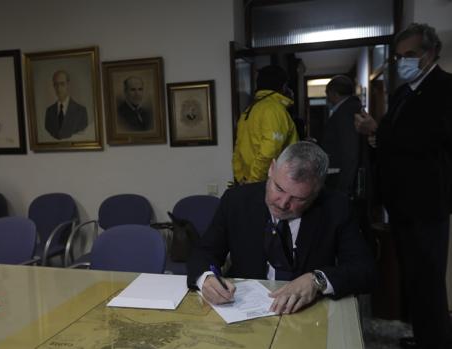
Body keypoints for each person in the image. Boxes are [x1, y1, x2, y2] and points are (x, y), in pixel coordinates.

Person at [188, 141, 375, 315]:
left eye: (298, 199)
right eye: (279, 188)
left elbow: (365, 271)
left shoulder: (337, 207)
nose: (283, 203)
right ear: (271, 169)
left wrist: (317, 280)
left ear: (317, 192)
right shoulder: (236, 201)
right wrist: (207, 278)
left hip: (309, 313)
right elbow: (204, 252)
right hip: (243, 310)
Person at [354, 23, 452, 349]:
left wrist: (379, 133)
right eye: (399, 57)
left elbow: (430, 140)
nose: (404, 62)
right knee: (412, 280)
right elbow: (391, 140)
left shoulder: (444, 88)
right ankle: (420, 335)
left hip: (427, 204)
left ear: (431, 52)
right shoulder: (401, 93)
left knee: (429, 282)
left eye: (410, 55)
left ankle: (435, 341)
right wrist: (373, 136)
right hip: (400, 204)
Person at [232, 65, 299, 184]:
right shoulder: (274, 109)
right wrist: (254, 180)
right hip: (271, 184)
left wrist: (241, 178)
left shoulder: (249, 110)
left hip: (251, 182)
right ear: (283, 86)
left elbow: (238, 148)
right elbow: (270, 150)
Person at [321, 75, 362, 196]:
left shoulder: (345, 113)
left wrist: (345, 185)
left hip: (341, 177)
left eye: (327, 93)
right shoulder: (351, 109)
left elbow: (350, 149)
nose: (327, 98)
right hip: (344, 175)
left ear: (334, 93)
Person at [45, 70, 88, 140]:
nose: (58, 88)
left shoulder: (81, 111)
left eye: (62, 84)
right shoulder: (49, 111)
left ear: (68, 85)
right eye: (56, 84)